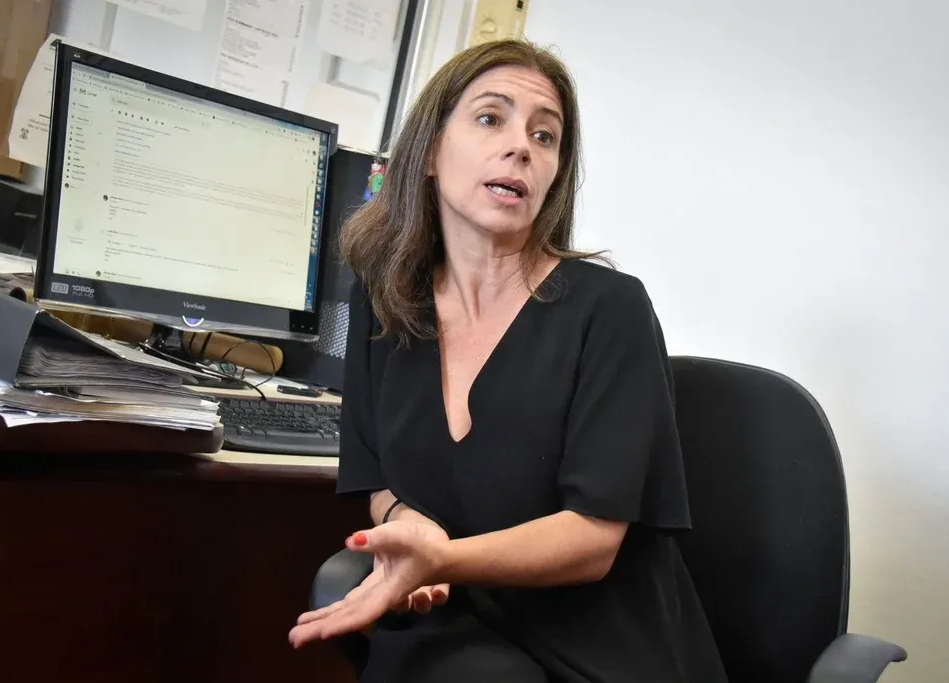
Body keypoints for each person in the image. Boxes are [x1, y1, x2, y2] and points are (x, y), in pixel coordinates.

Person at [288, 39, 728, 683]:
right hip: (457, 619)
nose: (521, 146)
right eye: (491, 118)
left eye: (545, 136)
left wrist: (443, 559)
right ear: (430, 150)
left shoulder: (611, 308)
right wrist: (410, 528)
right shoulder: (384, 301)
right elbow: (378, 481)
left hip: (595, 645)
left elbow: (593, 541)